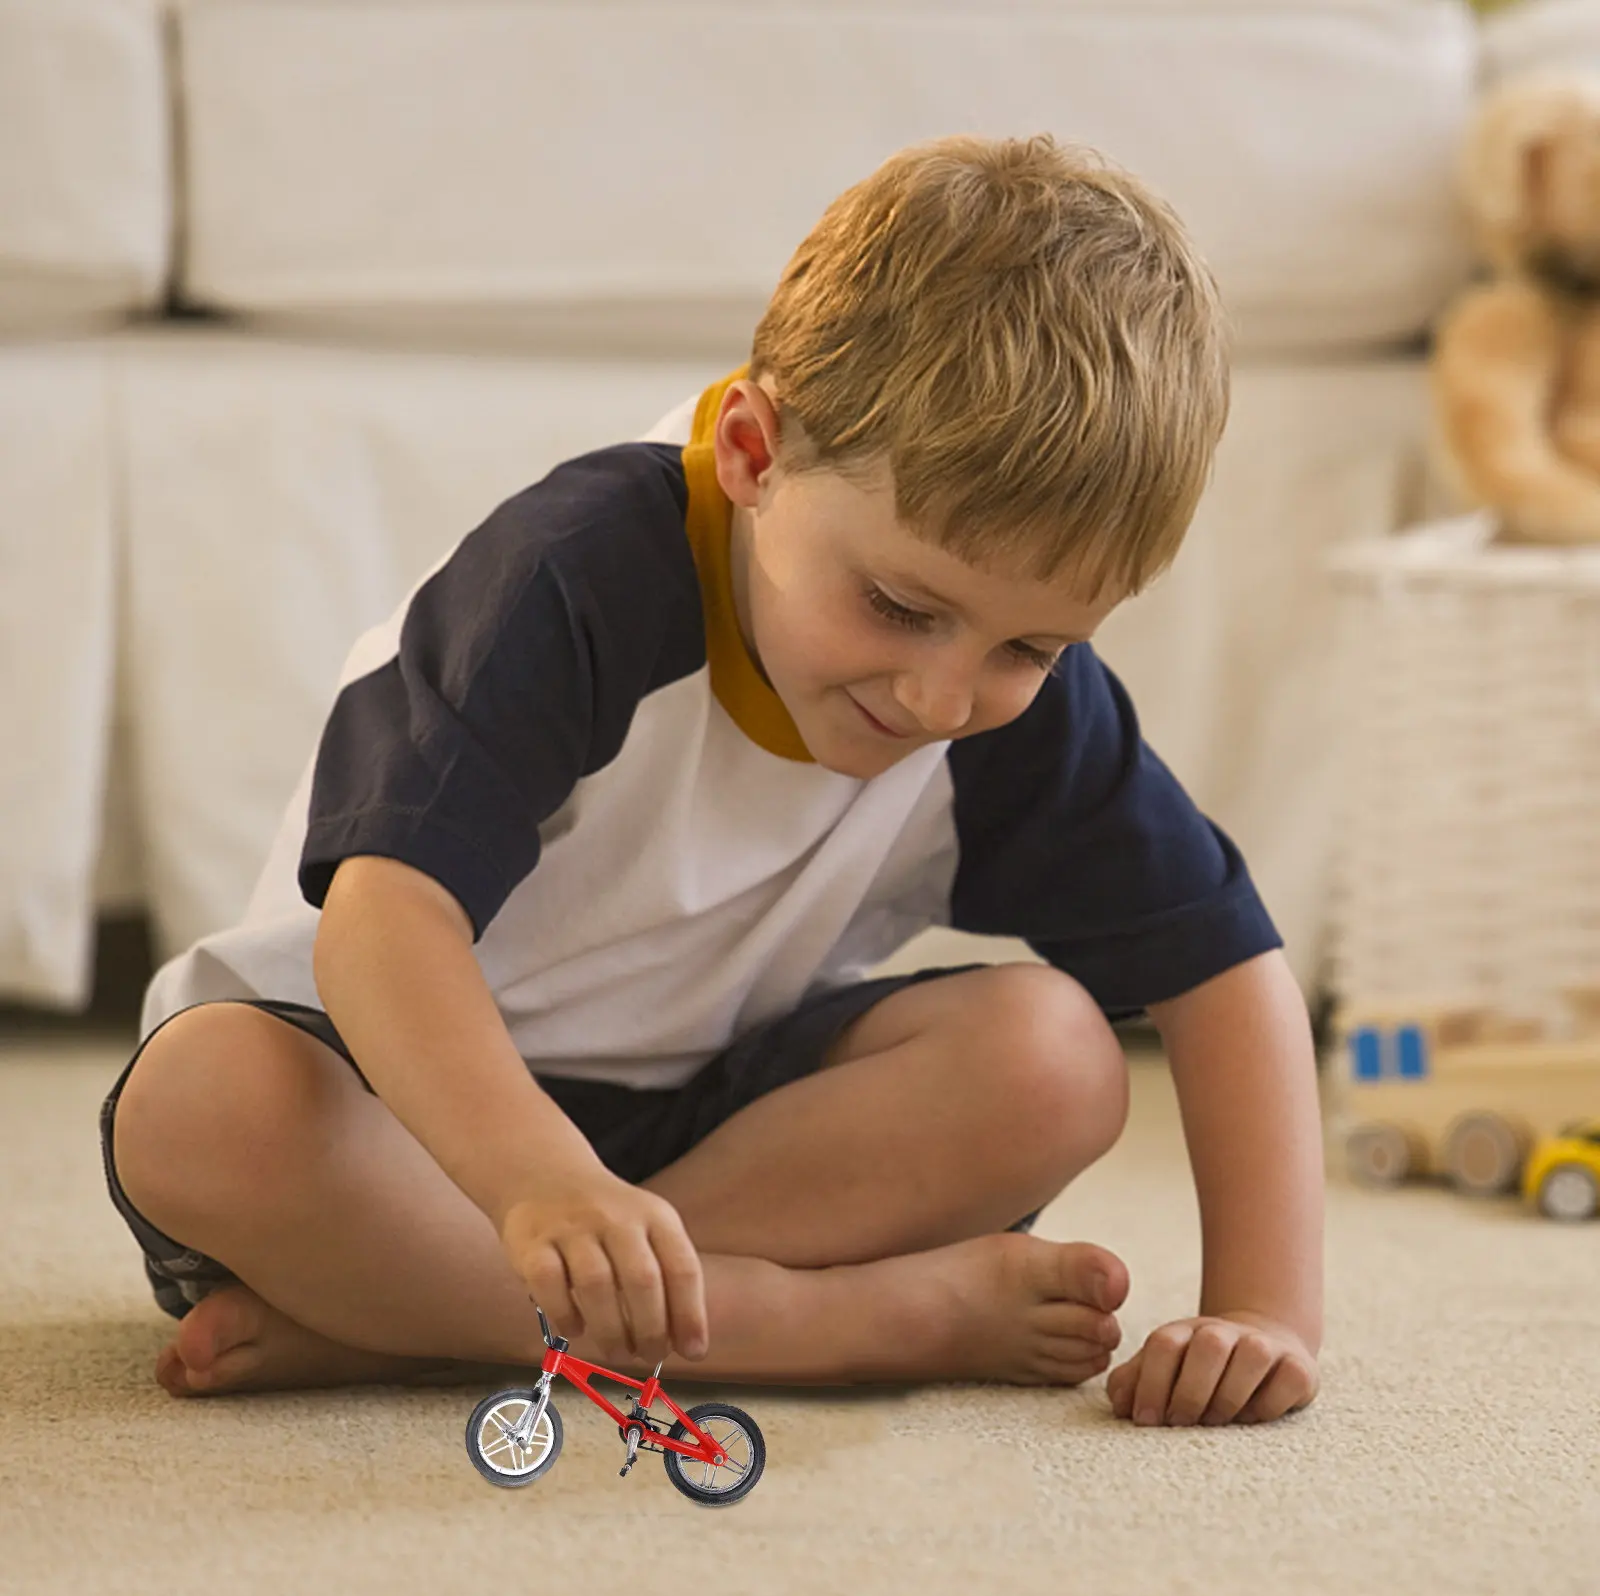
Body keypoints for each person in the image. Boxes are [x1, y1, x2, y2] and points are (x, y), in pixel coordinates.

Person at [100, 133, 1323, 1429]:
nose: (943, 700)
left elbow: (1225, 971)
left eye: (1028, 647)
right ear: (753, 454)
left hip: (705, 1139)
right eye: (900, 605)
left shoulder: (999, 701)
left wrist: (1266, 1314)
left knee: (1060, 1059)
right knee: (201, 1106)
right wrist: (534, 1187)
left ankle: (422, 1322)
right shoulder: (573, 576)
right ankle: (811, 1327)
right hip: (395, 1110)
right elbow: (381, 928)